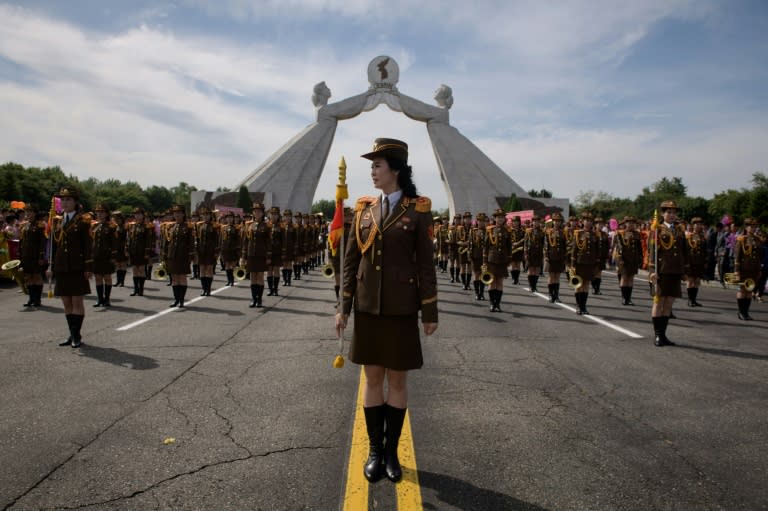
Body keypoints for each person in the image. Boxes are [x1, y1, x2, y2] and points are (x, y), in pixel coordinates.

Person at [335, 138, 438, 483]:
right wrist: (343, 307)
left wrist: (430, 312)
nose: (372, 171)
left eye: (378, 165)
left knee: (397, 380)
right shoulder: (364, 209)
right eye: (372, 166)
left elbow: (425, 264)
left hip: (400, 309)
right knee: (372, 378)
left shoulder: (417, 210)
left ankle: (392, 451)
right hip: (367, 308)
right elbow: (351, 261)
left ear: (395, 169)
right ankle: (374, 451)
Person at [49, 187, 92, 348]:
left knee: (76, 301)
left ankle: (76, 335)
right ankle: (71, 333)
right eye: (63, 200)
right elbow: (54, 246)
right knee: (66, 302)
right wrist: (51, 266)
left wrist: (88, 267)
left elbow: (88, 245)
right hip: (61, 266)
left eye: (68, 200)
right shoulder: (57, 221)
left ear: (75, 202)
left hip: (77, 266)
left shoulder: (83, 221)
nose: (65, 203)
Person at [648, 200, 689, 346]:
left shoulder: (679, 229)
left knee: (669, 303)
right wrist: (652, 270)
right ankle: (658, 335)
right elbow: (651, 250)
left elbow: (684, 251)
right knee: (659, 302)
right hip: (662, 271)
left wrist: (685, 271)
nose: (672, 215)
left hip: (675, 271)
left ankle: (663, 335)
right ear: (663, 214)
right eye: (668, 212)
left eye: (674, 212)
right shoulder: (656, 228)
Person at [164, 205, 195, 308]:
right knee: (174, 278)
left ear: (183, 214)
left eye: (179, 213)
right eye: (175, 213)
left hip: (183, 255)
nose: (177, 215)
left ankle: (181, 300)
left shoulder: (188, 226)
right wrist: (164, 255)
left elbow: (191, 242)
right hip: (172, 255)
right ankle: (176, 299)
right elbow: (167, 242)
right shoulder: (170, 226)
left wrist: (191, 256)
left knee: (182, 277)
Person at [568, 212, 599, 315]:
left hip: (590, 263)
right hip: (579, 263)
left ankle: (583, 306)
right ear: (582, 222)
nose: (589, 222)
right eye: (587, 220)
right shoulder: (578, 233)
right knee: (578, 285)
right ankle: (578, 306)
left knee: (586, 285)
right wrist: (572, 265)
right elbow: (574, 250)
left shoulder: (595, 234)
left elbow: (597, 250)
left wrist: (596, 264)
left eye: (590, 221)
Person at [241, 202, 270, 308]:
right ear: (253, 212)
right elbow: (245, 241)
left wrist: (268, 256)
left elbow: (269, 242)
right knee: (253, 276)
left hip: (261, 255)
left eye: (259, 211)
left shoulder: (266, 226)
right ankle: (254, 298)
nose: (257, 213)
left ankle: (259, 299)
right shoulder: (248, 225)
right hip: (251, 254)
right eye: (255, 211)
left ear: (262, 213)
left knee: (260, 276)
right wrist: (243, 257)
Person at [19, 205, 47, 308]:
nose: (28, 214)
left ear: (35, 213)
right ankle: (31, 298)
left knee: (37, 277)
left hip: (35, 256)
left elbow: (43, 242)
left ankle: (37, 299)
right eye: (27, 212)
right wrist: (19, 254)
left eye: (30, 212)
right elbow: (21, 241)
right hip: (25, 256)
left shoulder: (40, 225)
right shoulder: (24, 225)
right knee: (28, 277)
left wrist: (41, 256)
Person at [733, 218, 761, 320]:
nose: (753, 228)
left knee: (749, 290)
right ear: (746, 227)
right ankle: (741, 312)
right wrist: (736, 270)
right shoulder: (741, 239)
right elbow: (737, 256)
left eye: (754, 227)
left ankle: (746, 312)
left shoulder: (757, 239)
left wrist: (759, 270)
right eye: (751, 226)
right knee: (742, 290)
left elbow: (758, 256)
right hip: (743, 269)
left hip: (753, 269)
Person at [484, 208, 512, 312]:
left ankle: (497, 304)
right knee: (492, 282)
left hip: (503, 259)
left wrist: (509, 258)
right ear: (495, 218)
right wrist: (484, 260)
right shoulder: (490, 230)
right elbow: (486, 246)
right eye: (498, 217)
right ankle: (492, 303)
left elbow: (509, 246)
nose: (500, 219)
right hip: (492, 259)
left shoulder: (507, 231)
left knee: (500, 282)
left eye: (502, 217)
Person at [91, 204, 117, 307]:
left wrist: (113, 256)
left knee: (107, 277)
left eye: (102, 212)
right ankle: (100, 299)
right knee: (97, 277)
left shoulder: (111, 226)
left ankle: (107, 299)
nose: (99, 214)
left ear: (106, 213)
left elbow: (114, 242)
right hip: (96, 255)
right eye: (98, 212)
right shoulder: (94, 225)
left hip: (107, 256)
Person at [614, 216, 643, 305]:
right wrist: (620, 259)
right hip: (624, 259)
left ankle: (629, 298)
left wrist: (640, 258)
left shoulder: (637, 234)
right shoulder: (620, 234)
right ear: (625, 224)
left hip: (633, 259)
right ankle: (624, 298)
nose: (631, 224)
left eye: (632, 223)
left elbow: (639, 248)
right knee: (624, 277)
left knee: (631, 278)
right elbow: (619, 248)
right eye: (629, 223)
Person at [126, 207, 154, 296]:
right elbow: (128, 239)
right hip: (133, 251)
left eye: (139, 214)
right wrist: (127, 249)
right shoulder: (131, 225)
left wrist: (147, 252)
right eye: (136, 214)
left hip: (142, 251)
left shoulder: (147, 226)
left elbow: (148, 240)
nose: (137, 216)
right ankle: (135, 289)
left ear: (143, 215)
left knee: (141, 270)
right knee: (134, 270)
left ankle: (141, 289)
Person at [194, 207, 220, 296]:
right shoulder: (199, 225)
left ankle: (208, 289)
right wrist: (196, 250)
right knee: (201, 269)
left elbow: (217, 239)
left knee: (209, 269)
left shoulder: (214, 226)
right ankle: (204, 289)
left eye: (207, 215)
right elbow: (197, 238)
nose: (205, 217)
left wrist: (216, 252)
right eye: (204, 215)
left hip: (210, 250)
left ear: (210, 216)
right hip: (201, 250)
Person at [544, 212, 567, 303]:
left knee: (557, 276)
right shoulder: (548, 232)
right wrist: (546, 256)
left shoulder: (563, 233)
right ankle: (550, 294)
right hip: (551, 256)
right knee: (551, 276)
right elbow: (546, 245)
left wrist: (565, 257)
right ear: (552, 222)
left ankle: (556, 295)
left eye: (559, 221)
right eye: (555, 221)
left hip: (560, 257)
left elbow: (564, 246)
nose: (557, 223)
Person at [685, 217, 707, 307]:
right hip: (691, 261)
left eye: (700, 224)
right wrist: (686, 262)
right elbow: (686, 250)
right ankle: (690, 300)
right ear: (693, 225)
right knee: (690, 280)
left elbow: (704, 250)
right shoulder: (689, 236)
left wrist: (706, 261)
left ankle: (694, 300)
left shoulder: (703, 237)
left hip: (700, 261)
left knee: (697, 281)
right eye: (696, 224)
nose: (698, 226)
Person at [219, 211, 240, 286]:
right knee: (227, 265)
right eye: (228, 218)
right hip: (225, 249)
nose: (229, 219)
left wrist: (238, 250)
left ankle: (232, 280)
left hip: (233, 249)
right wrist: (220, 250)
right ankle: (229, 280)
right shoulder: (223, 228)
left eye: (231, 217)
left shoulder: (237, 227)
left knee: (233, 265)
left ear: (233, 218)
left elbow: (239, 239)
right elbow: (221, 239)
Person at [524, 215, 545, 293]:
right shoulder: (528, 231)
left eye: (537, 221)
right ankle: (530, 285)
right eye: (534, 221)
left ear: (539, 223)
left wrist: (544, 253)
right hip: (530, 253)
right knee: (530, 269)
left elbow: (544, 243)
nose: (535, 223)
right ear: (532, 222)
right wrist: (525, 253)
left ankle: (534, 286)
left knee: (537, 270)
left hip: (539, 252)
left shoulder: (542, 232)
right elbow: (525, 243)